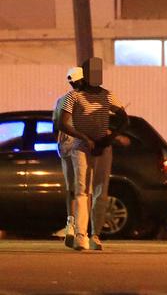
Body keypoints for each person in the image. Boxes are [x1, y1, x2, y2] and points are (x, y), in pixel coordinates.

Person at [58, 57, 128, 251]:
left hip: (103, 148)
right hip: (81, 146)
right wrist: (84, 137)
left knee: (100, 192)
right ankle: (81, 234)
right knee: (82, 189)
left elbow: (124, 119)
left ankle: (95, 235)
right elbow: (61, 123)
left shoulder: (108, 95)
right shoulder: (74, 97)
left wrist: (109, 138)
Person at [52, 67, 84, 248]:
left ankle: (70, 224)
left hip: (65, 147)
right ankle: (82, 229)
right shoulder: (88, 100)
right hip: (83, 147)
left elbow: (54, 127)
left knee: (71, 188)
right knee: (83, 189)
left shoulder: (61, 100)